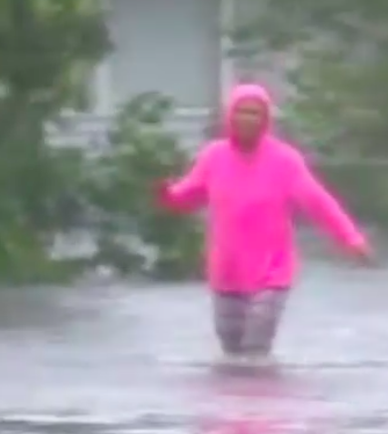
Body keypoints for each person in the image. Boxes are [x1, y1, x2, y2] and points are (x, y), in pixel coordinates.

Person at [155, 83, 374, 357]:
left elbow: (318, 202)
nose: (247, 119)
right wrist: (164, 193)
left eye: (254, 113)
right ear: (230, 116)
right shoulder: (213, 156)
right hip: (227, 272)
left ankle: (267, 386)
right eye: (241, 112)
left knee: (256, 346)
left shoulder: (285, 160)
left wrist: (351, 238)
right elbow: (188, 195)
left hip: (271, 272)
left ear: (266, 119)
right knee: (232, 354)